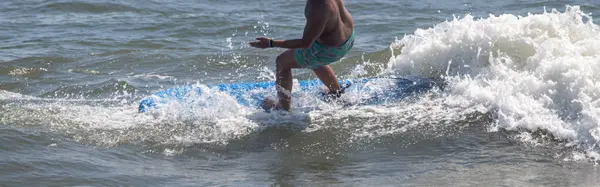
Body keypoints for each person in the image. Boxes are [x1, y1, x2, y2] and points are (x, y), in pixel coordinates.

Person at [249, 0, 355, 112]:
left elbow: (305, 43)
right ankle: (336, 92)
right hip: (347, 40)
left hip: (327, 50)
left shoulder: (318, 7)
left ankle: (283, 107)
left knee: (282, 62)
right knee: (308, 56)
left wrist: (271, 43)